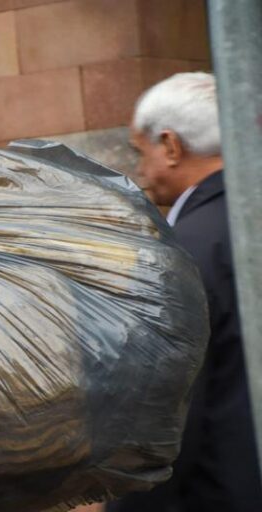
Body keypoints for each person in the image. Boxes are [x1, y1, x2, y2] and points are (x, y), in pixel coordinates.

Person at [109, 72, 262, 511]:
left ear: (171, 146)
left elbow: (167, 412)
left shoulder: (182, 253)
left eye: (140, 152)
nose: (139, 170)